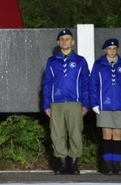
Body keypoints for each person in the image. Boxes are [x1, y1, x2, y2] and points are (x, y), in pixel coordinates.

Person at [42, 28, 89, 175]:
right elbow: (47, 83)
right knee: (57, 133)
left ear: (72, 42)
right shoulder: (52, 61)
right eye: (62, 39)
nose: (64, 41)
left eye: (67, 39)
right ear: (58, 42)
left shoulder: (80, 61)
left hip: (74, 102)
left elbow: (85, 83)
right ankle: (61, 163)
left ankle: (73, 163)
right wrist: (46, 103)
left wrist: (86, 103)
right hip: (56, 102)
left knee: (75, 133)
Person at [90, 38, 121, 175]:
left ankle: (117, 164)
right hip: (105, 104)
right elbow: (93, 85)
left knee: (117, 134)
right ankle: (107, 164)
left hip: (120, 105)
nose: (112, 51)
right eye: (109, 49)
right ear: (105, 50)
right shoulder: (99, 65)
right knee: (107, 134)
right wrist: (94, 103)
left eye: (114, 48)